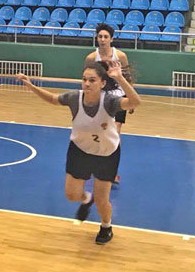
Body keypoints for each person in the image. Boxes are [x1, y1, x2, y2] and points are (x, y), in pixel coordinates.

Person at [16, 61, 140, 244]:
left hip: (106, 154)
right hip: (80, 150)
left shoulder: (109, 102)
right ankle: (86, 199)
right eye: (84, 80)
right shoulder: (75, 98)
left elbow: (135, 102)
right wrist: (30, 85)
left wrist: (120, 78)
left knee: (102, 199)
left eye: (92, 80)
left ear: (102, 83)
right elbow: (53, 99)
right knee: (72, 195)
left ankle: (106, 227)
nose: (87, 84)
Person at [84, 24, 131, 185]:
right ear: (96, 38)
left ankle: (113, 170)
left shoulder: (121, 56)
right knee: (98, 133)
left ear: (111, 39)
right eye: (100, 36)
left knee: (115, 133)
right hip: (99, 99)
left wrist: (130, 99)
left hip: (118, 99)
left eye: (106, 37)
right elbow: (86, 79)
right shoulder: (91, 58)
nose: (103, 39)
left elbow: (128, 77)